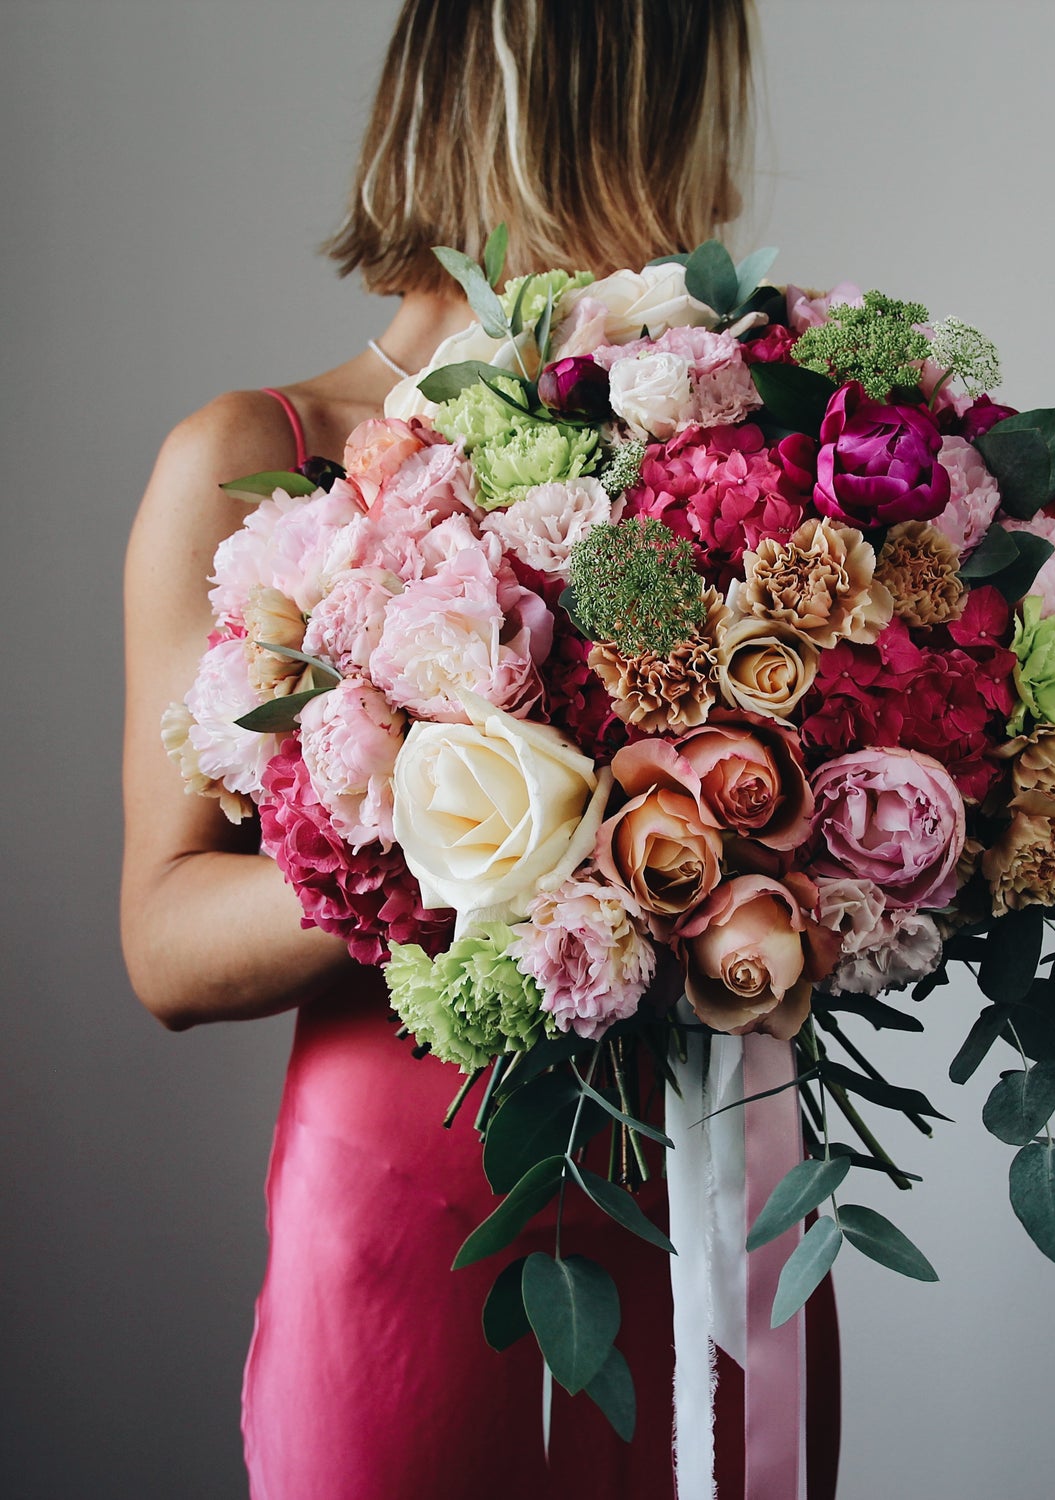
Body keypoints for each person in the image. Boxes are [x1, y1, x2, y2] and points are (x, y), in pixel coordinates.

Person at [119, 2, 839, 1495]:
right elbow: (167, 942)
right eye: (691, 111)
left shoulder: (766, 459)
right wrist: (485, 812)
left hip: (714, 1202)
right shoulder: (257, 457)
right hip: (409, 1228)